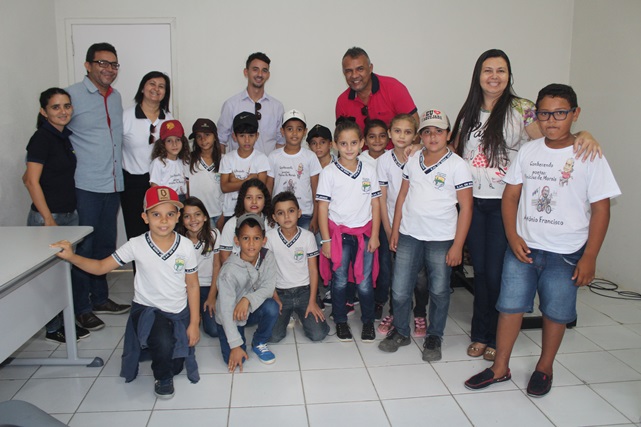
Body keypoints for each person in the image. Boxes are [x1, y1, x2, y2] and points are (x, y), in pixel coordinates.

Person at [464, 84, 620, 397]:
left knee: (556, 313)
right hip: (524, 248)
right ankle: (500, 368)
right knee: (509, 307)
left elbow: (601, 209)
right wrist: (513, 235)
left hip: (566, 253)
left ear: (575, 114)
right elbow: (510, 196)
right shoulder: (529, 150)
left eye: (560, 113)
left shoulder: (588, 154)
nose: (551, 120)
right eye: (545, 113)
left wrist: (590, 256)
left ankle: (544, 367)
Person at [450, 49, 602, 361]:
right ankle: (480, 332)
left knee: (496, 274)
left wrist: (584, 134)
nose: (494, 76)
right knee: (480, 270)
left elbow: (551, 139)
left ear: (509, 76)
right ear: (478, 76)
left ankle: (494, 335)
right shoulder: (468, 112)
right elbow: (454, 151)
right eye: (488, 70)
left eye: (501, 70)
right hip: (473, 204)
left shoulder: (522, 109)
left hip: (506, 203)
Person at [51, 186, 201, 399]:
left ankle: (154, 349)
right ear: (145, 217)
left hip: (178, 311)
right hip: (148, 309)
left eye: (170, 214)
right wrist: (72, 257)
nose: (164, 220)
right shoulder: (136, 244)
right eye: (156, 214)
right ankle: (162, 378)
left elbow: (193, 285)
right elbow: (101, 267)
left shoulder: (185, 246)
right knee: (164, 346)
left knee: (176, 365)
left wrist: (194, 323)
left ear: (178, 216)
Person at [378, 109, 473, 362]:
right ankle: (401, 331)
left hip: (441, 239)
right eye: (427, 132)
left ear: (448, 135)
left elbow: (466, 208)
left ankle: (434, 336)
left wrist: (458, 246)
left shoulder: (458, 166)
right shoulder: (413, 159)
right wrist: (395, 230)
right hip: (409, 234)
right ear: (421, 135)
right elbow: (401, 196)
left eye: (438, 131)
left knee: (439, 290)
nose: (432, 137)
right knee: (399, 290)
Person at [66, 42, 129, 331]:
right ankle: (81, 307)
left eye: (113, 64)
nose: (109, 69)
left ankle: (101, 298)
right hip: (86, 186)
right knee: (84, 247)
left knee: (105, 245)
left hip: (113, 184)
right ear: (88, 65)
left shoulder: (115, 98)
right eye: (102, 63)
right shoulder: (72, 96)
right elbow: (56, 132)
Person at [23, 87, 90, 343]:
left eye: (66, 106)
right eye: (55, 107)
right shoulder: (42, 138)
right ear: (44, 111)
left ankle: (63, 321)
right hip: (49, 219)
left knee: (63, 274)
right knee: (48, 277)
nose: (63, 111)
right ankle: (52, 328)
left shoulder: (63, 137)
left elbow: (28, 176)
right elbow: (31, 182)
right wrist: (48, 218)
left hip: (67, 215)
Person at [316, 119, 381, 343]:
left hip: (364, 234)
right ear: (335, 145)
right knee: (340, 280)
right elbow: (322, 207)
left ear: (362, 143)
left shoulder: (370, 171)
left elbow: (375, 205)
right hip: (338, 236)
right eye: (344, 144)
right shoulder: (329, 172)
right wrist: (325, 240)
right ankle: (341, 321)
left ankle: (368, 322)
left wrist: (374, 235)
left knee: (364, 283)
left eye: (354, 142)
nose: (349, 148)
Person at [215, 213, 280, 372]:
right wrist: (236, 345)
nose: (251, 244)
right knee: (233, 357)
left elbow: (269, 287)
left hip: (249, 310)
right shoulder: (228, 272)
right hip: (229, 316)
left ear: (264, 240)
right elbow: (226, 310)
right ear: (237, 241)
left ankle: (259, 341)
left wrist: (247, 300)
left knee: (272, 307)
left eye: (256, 238)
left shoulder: (267, 256)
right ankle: (238, 338)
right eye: (245, 238)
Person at [266, 191, 329, 343]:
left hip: (304, 292)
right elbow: (266, 271)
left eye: (291, 211)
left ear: (299, 213)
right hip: (281, 293)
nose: (287, 217)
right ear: (274, 217)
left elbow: (313, 270)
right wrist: (274, 296)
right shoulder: (269, 238)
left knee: (318, 335)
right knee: (274, 336)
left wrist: (312, 301)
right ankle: (289, 315)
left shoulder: (308, 237)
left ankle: (301, 313)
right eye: (281, 213)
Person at [121, 71, 173, 241]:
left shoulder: (169, 119)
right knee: (136, 234)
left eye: (161, 86)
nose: (156, 89)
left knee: (162, 231)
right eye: (152, 83)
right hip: (133, 184)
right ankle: (139, 268)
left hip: (162, 182)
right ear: (142, 88)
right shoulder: (125, 117)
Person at [335, 47, 418, 149]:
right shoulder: (342, 102)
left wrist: (409, 158)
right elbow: (342, 140)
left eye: (360, 69)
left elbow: (415, 128)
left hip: (399, 158)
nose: (354, 75)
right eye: (349, 71)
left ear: (370, 68)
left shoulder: (393, 88)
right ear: (344, 73)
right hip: (363, 161)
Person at [217, 52, 285, 154]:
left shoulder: (277, 107)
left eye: (264, 70)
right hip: (238, 169)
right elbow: (221, 140)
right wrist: (223, 167)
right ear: (246, 72)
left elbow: (281, 142)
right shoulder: (231, 105)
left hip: (267, 168)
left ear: (268, 75)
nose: (260, 74)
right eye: (255, 69)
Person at [266, 109, 322, 231]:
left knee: (303, 248)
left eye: (299, 129)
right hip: (279, 214)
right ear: (282, 131)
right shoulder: (273, 156)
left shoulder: (310, 156)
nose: (294, 133)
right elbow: (268, 188)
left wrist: (316, 217)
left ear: (305, 132)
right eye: (290, 129)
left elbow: (316, 190)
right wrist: (269, 212)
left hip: (305, 214)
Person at [176, 197, 221, 338]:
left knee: (213, 330)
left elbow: (216, 266)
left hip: (208, 286)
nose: (193, 220)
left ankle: (203, 312)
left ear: (205, 217)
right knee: (183, 328)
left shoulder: (214, 235)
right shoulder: (178, 239)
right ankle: (197, 315)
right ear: (182, 220)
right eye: (187, 216)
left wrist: (212, 297)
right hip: (186, 288)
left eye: (197, 214)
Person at [219, 112, 270, 220]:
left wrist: (234, 181)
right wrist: (248, 180)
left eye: (251, 135)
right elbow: (224, 187)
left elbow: (260, 187)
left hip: (254, 210)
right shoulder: (227, 158)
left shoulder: (262, 159)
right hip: (230, 211)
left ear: (257, 135)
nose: (247, 140)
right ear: (234, 136)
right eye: (242, 136)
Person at [219, 178, 275, 263]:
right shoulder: (231, 224)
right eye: (249, 197)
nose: (254, 202)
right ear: (242, 200)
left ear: (265, 201)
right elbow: (224, 257)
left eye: (259, 197)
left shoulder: (272, 224)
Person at [187, 119, 224, 230]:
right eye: (199, 136)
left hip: (219, 213)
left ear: (215, 136)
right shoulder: (188, 160)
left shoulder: (224, 160)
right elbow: (187, 189)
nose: (203, 140)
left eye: (207, 135)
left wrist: (224, 213)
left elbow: (227, 191)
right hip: (198, 215)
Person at [150, 120, 190, 201]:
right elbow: (154, 186)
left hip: (182, 198)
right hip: (165, 199)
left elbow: (186, 183)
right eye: (169, 141)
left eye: (178, 140)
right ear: (162, 144)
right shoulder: (158, 162)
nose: (174, 144)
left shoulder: (184, 161)